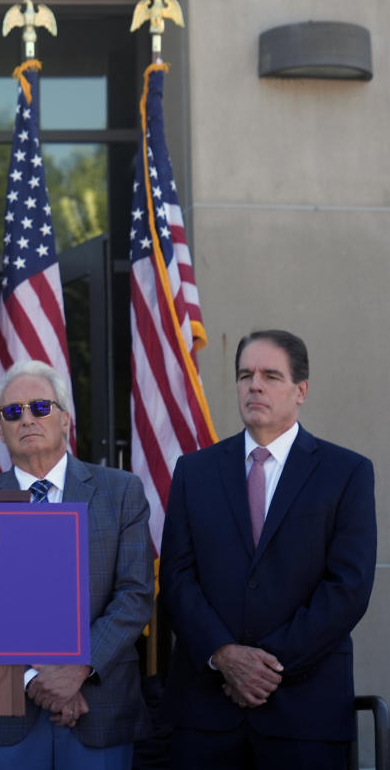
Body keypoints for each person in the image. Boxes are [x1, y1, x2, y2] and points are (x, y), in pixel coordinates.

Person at [160, 329, 376, 769]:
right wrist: (223, 655)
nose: (254, 385)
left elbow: (348, 588)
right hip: (205, 715)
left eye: (270, 375)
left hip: (305, 714)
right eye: (245, 375)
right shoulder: (194, 471)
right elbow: (177, 579)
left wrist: (263, 667)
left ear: (301, 391)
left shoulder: (346, 472)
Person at [0, 360, 153, 770]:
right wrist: (35, 679)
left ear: (66, 419)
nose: (26, 418)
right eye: (12, 412)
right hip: (6, 715)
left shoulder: (121, 493)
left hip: (99, 708)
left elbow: (135, 595)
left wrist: (78, 668)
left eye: (40, 408)